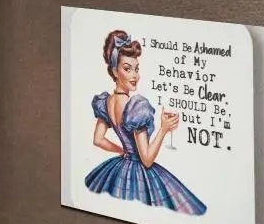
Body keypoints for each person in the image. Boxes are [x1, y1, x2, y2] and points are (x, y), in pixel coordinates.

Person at [83, 29, 207, 214]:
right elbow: (147, 160)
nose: (135, 75)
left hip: (119, 169)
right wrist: (164, 129)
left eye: (136, 69)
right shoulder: (136, 106)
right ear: (115, 71)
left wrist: (121, 150)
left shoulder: (106, 102)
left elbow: (98, 139)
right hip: (139, 172)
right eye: (127, 69)